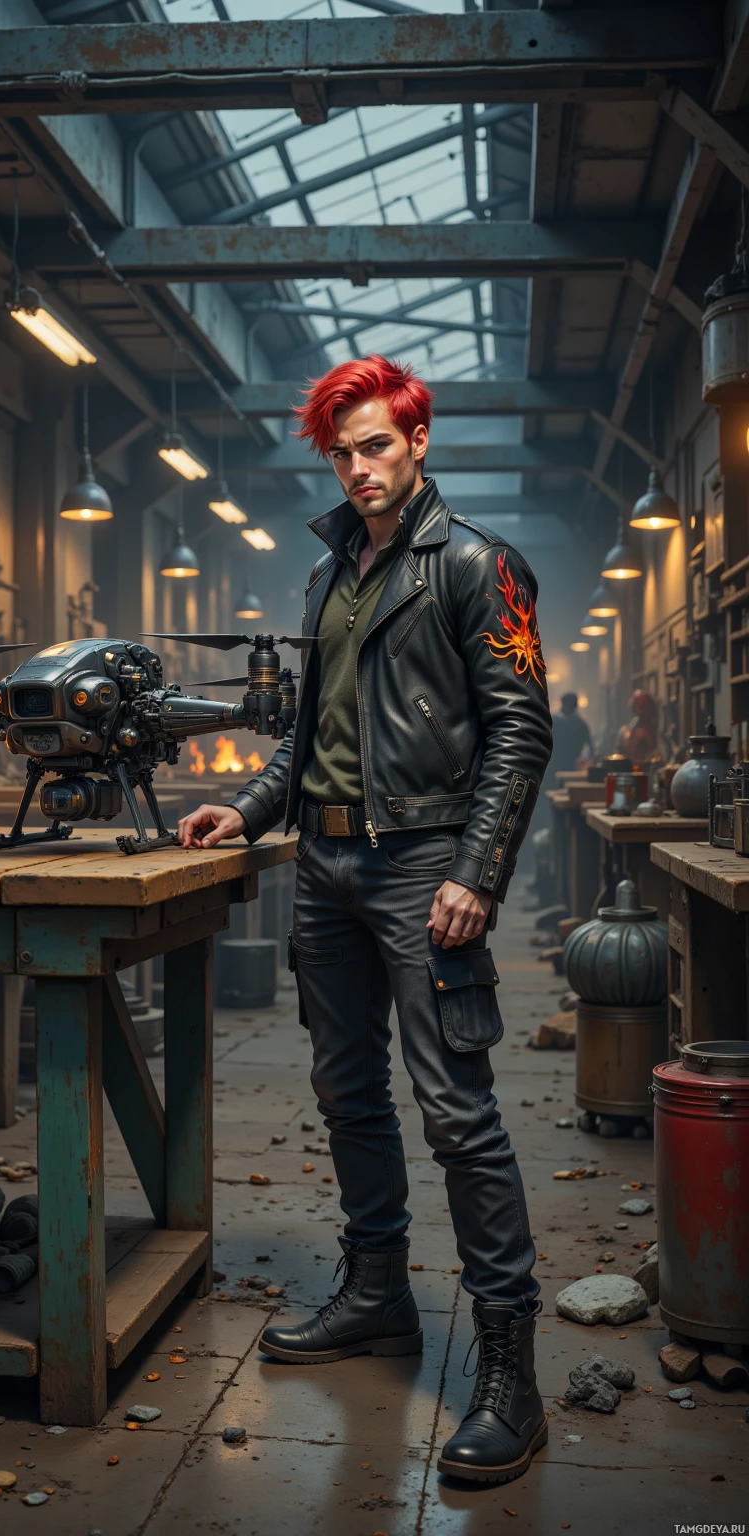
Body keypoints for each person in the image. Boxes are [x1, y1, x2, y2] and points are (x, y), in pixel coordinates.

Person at [177, 355, 554, 1486]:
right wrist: (244, 811)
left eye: (376, 444)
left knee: (457, 1110)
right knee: (346, 1090)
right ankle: (377, 1294)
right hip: (327, 866)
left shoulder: (478, 567)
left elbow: (521, 732)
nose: (358, 467)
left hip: (422, 865)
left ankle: (507, 1373)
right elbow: (301, 743)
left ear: (418, 440)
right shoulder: (330, 573)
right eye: (341, 451)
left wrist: (476, 874)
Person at [552, 691, 593, 775]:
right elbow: (590, 744)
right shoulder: (580, 723)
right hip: (568, 763)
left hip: (558, 763)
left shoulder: (553, 721)